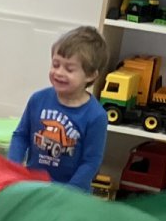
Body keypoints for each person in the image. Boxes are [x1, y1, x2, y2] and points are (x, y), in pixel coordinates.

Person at [8, 27, 109, 190]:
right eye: (55, 65)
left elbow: (91, 162)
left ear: (90, 75)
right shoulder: (38, 99)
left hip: (69, 195)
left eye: (69, 69)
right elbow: (21, 136)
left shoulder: (96, 116)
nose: (59, 72)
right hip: (32, 187)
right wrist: (13, 167)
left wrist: (69, 192)